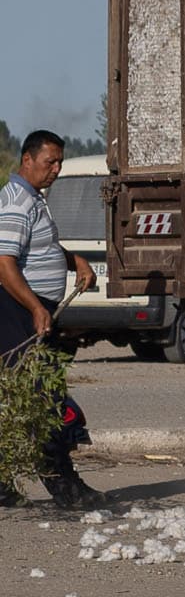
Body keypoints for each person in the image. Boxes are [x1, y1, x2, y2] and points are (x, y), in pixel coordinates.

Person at [0, 131, 99, 508]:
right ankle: (66, 489)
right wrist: (37, 308)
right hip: (18, 311)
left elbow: (40, 246)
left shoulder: (34, 201)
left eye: (59, 162)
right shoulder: (14, 204)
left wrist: (75, 260)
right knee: (42, 399)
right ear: (27, 160)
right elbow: (5, 265)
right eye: (49, 163)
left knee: (16, 398)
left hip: (31, 310)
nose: (56, 170)